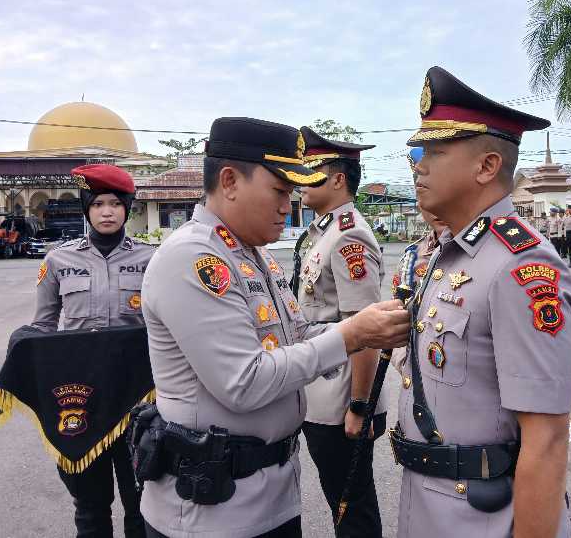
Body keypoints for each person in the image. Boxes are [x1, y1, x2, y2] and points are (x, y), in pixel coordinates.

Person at [139, 117, 410, 538]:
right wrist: (352, 335)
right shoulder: (195, 259)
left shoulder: (252, 254)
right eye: (280, 191)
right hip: (212, 512)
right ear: (229, 181)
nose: (290, 203)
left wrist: (365, 329)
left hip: (268, 495)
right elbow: (244, 382)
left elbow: (297, 335)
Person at [393, 66, 571, 538]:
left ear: (486, 166)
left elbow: (548, 438)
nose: (419, 164)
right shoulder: (452, 253)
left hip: (481, 516)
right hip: (430, 502)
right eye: (418, 151)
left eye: (435, 152)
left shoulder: (519, 266)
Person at [32, 164, 153, 538]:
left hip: (138, 399)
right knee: (89, 507)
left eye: (116, 204)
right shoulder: (57, 261)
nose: (106, 212)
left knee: (142, 503)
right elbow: (42, 328)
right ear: (86, 209)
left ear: (127, 210)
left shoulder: (153, 260)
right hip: (80, 398)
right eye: (98, 203)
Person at [293, 127, 386, 538]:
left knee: (352, 506)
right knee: (340, 502)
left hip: (343, 399)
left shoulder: (349, 235)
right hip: (322, 392)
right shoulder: (322, 231)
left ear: (337, 178)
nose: (300, 181)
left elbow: (366, 328)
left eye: (311, 171)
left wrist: (360, 406)